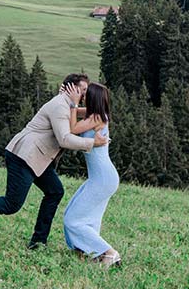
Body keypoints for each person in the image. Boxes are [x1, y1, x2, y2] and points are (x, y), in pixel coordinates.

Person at [0, 73, 108, 248]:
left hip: (38, 158)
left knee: (55, 191)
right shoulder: (60, 106)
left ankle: (38, 241)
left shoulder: (66, 104)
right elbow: (64, 139)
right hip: (24, 156)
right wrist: (93, 142)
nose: (85, 95)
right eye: (82, 90)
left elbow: (80, 114)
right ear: (71, 89)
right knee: (11, 204)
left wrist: (91, 108)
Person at [63, 82, 121, 267]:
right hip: (101, 178)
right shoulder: (94, 114)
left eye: (86, 93)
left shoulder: (97, 118)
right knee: (85, 217)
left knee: (72, 219)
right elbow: (76, 112)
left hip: (103, 179)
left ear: (93, 97)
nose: (84, 94)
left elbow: (72, 129)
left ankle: (109, 253)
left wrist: (72, 105)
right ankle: (89, 253)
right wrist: (69, 99)